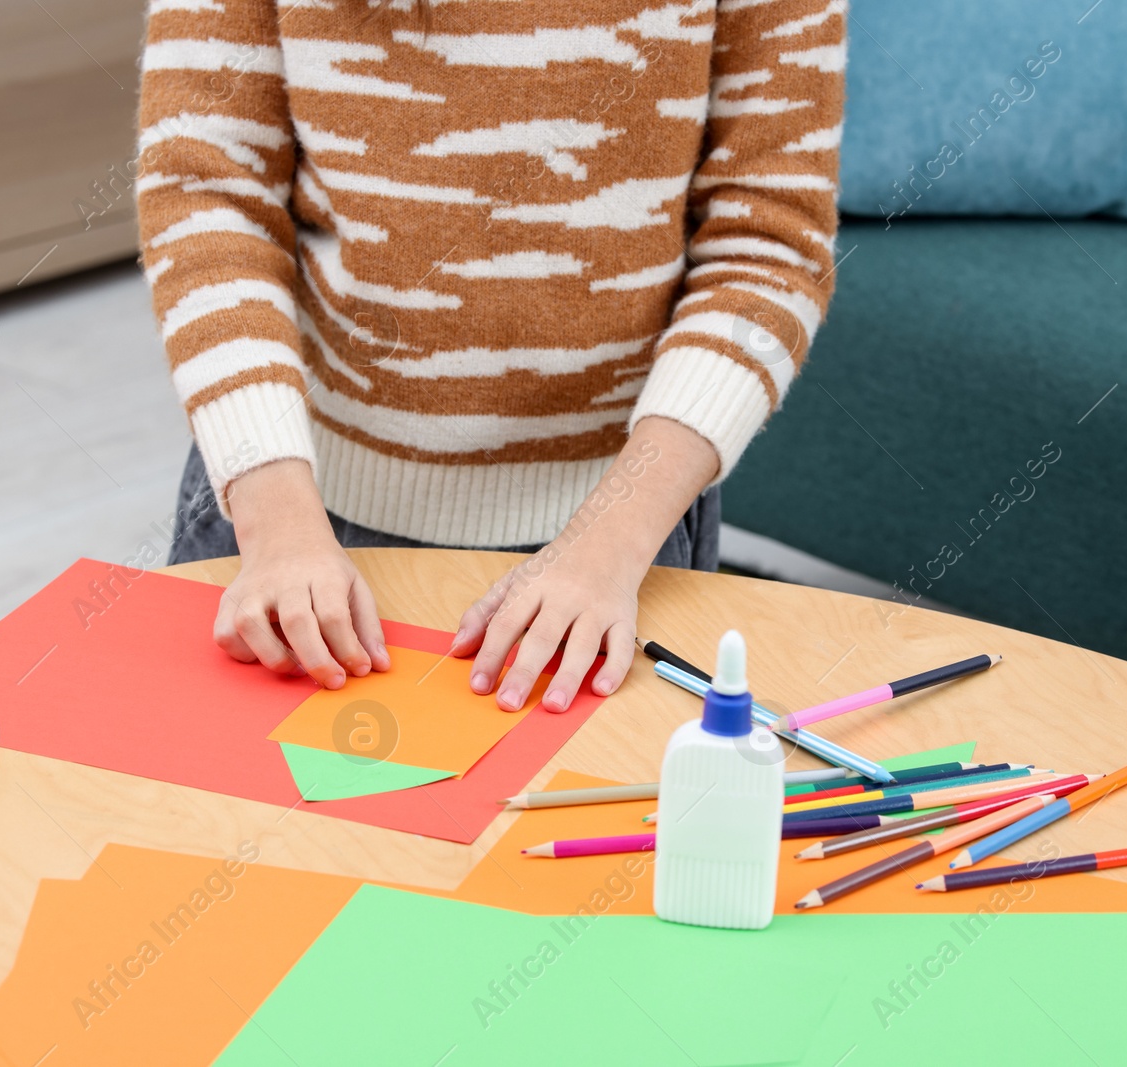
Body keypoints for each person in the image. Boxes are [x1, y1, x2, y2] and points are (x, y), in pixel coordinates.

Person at [136, 0, 844, 712]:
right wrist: (275, 517)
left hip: (619, 540)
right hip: (289, 506)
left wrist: (611, 542)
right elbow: (206, 194)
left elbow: (770, 247)